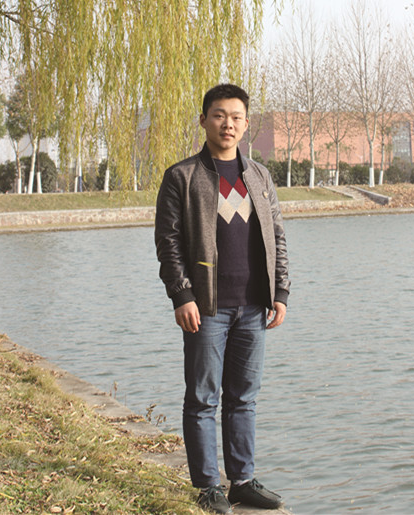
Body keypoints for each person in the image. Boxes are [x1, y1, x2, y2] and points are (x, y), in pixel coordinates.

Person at [155, 84, 290, 514]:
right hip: (206, 307)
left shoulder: (260, 176)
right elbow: (168, 243)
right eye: (218, 115)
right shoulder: (182, 176)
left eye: (235, 117)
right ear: (203, 120)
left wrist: (280, 292)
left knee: (244, 398)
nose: (227, 124)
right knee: (202, 398)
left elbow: (277, 237)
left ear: (246, 125)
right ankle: (208, 485)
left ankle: (242, 481)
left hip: (253, 306)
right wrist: (182, 294)